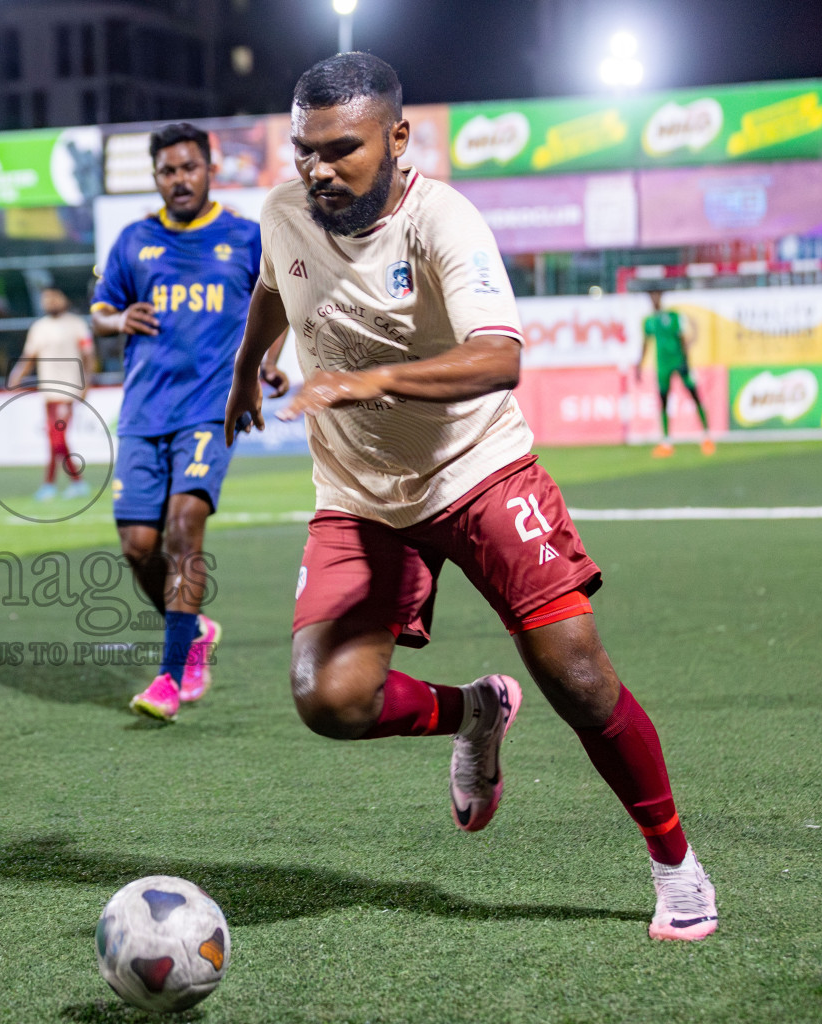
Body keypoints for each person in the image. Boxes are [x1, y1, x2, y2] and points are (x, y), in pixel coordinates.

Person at [224, 54, 716, 941]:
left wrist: (369, 383)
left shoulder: (444, 220)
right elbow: (271, 283)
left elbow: (500, 359)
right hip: (360, 495)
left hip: (479, 472)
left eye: (341, 149)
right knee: (329, 698)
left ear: (398, 138)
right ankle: (475, 711)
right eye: (304, 150)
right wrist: (246, 368)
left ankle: (676, 865)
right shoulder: (284, 211)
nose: (318, 169)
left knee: (577, 679)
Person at [91, 122, 273, 722]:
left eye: (189, 167)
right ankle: (191, 630)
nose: (179, 179)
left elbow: (275, 308)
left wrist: (264, 366)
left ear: (209, 168)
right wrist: (117, 323)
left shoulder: (245, 237)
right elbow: (100, 310)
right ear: (156, 178)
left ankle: (169, 678)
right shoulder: (133, 240)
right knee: (138, 547)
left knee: (183, 525)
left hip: (209, 408)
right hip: (144, 412)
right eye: (168, 171)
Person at [8, 287, 95, 501]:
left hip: (69, 390)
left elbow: (89, 356)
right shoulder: (39, 328)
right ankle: (63, 483)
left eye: (53, 298)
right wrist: (17, 375)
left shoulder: (76, 324)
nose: (49, 302)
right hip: (48, 393)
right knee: (54, 439)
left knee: (57, 439)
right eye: (46, 299)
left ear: (62, 299)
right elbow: (29, 356)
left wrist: (87, 383)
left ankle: (64, 482)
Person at [639, 289, 714, 458]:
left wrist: (686, 361)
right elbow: (645, 343)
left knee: (694, 395)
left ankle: (707, 436)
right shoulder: (649, 321)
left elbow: (683, 338)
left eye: (657, 295)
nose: (655, 299)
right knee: (664, 402)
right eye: (652, 296)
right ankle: (666, 442)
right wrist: (639, 365)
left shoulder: (673, 316)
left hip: (679, 362)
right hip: (662, 367)